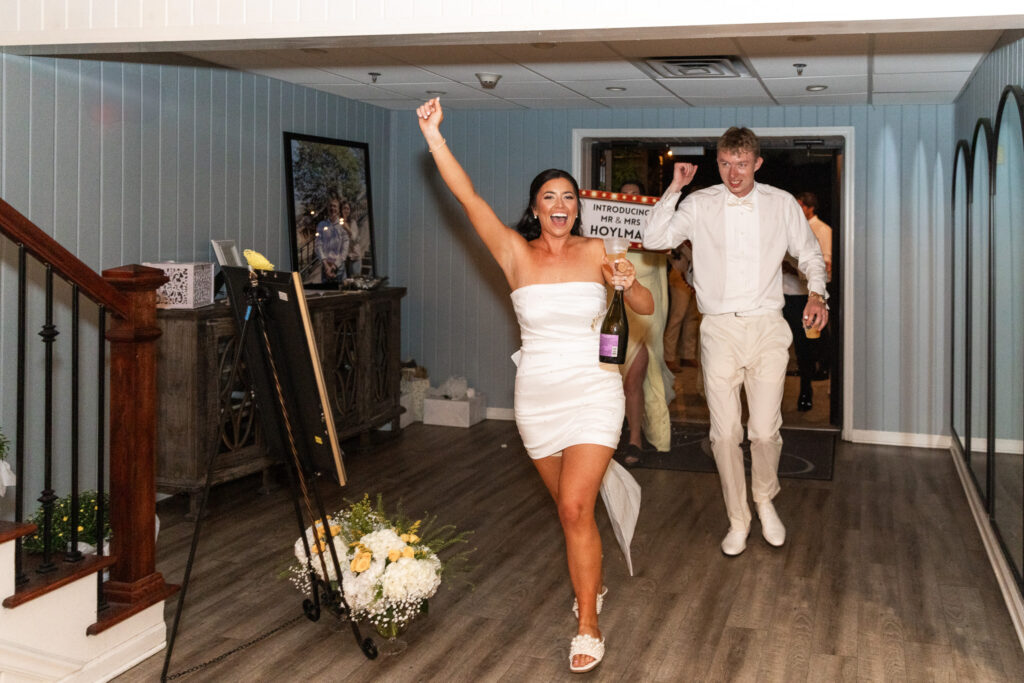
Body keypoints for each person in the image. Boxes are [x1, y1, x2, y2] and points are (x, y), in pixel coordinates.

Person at [416, 97, 653, 673]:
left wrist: (626, 283)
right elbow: (467, 198)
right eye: (550, 196)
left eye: (570, 197)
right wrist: (434, 138)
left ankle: (588, 622)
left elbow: (644, 305)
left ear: (578, 209)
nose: (561, 205)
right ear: (534, 207)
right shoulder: (513, 253)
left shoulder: (600, 251)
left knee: (574, 506)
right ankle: (589, 572)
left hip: (595, 390)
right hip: (539, 399)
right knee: (571, 512)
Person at [643, 126, 828, 557]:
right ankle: (738, 518)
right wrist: (674, 187)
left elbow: (810, 254)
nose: (733, 173)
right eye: (725, 164)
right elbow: (654, 239)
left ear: (757, 164)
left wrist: (817, 292)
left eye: (742, 164)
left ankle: (764, 499)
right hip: (719, 329)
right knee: (724, 434)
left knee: (763, 433)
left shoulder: (781, 203)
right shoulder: (700, 203)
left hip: (766, 326)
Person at [615, 181, 674, 468]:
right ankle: (613, 432)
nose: (630, 200)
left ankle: (635, 438)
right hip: (614, 316)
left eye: (635, 196)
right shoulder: (606, 239)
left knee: (634, 379)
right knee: (613, 383)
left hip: (646, 317)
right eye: (624, 196)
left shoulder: (654, 239)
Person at [781, 191, 833, 411]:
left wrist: (791, 269)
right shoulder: (786, 229)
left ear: (810, 208)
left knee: (804, 349)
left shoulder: (822, 230)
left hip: (803, 298)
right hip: (779, 297)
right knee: (778, 347)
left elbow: (825, 269)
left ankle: (805, 390)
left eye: (801, 205)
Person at [314, 194, 349, 283]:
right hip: (325, 267)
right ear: (327, 208)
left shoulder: (343, 226)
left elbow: (344, 251)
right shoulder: (321, 225)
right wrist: (326, 265)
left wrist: (334, 267)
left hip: (339, 267)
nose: (332, 208)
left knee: (341, 295)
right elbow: (318, 245)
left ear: (338, 209)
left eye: (335, 206)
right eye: (330, 206)